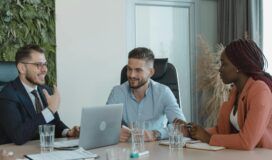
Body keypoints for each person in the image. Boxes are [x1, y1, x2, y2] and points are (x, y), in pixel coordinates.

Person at [184, 39, 272, 150]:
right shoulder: (235, 91)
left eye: (224, 64)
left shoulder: (260, 91)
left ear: (238, 67)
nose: (220, 69)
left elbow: (247, 141)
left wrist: (207, 137)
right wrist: (194, 132)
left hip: (263, 154)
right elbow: (223, 131)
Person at [0, 44, 80, 145]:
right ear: (22, 68)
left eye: (45, 64)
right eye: (38, 65)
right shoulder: (7, 95)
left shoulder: (45, 90)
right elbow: (18, 136)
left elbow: (54, 123)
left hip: (42, 151)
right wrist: (50, 110)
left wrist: (68, 132)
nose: (45, 69)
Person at [107, 47, 186, 142]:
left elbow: (183, 127)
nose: (132, 75)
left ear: (151, 72)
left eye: (138, 70)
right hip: (129, 149)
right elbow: (106, 125)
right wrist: (116, 132)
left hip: (157, 149)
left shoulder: (163, 92)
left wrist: (155, 134)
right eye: (129, 69)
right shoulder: (117, 92)